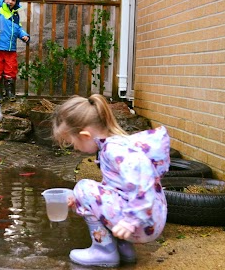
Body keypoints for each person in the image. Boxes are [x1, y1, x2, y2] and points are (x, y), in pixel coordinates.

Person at [51, 94, 170, 267]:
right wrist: (78, 200)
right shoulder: (114, 146)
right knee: (88, 193)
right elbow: (116, 191)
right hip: (147, 218)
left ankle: (103, 250)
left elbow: (143, 183)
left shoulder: (115, 150)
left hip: (142, 221)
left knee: (84, 187)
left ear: (85, 135)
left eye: (72, 142)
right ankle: (124, 249)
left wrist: (131, 220)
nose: (75, 148)